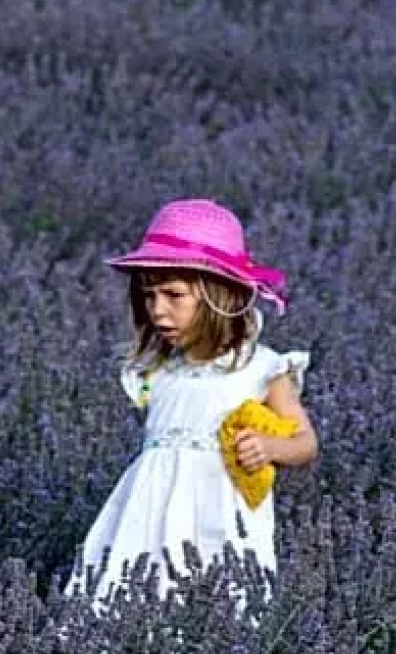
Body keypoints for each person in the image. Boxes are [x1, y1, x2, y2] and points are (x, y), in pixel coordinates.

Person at [64, 198, 318, 616]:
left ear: (222, 296)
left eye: (174, 295)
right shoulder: (158, 371)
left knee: (218, 601)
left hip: (220, 511)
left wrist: (272, 449)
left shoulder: (261, 368)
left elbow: (306, 443)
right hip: (147, 507)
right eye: (149, 297)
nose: (158, 309)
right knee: (126, 588)